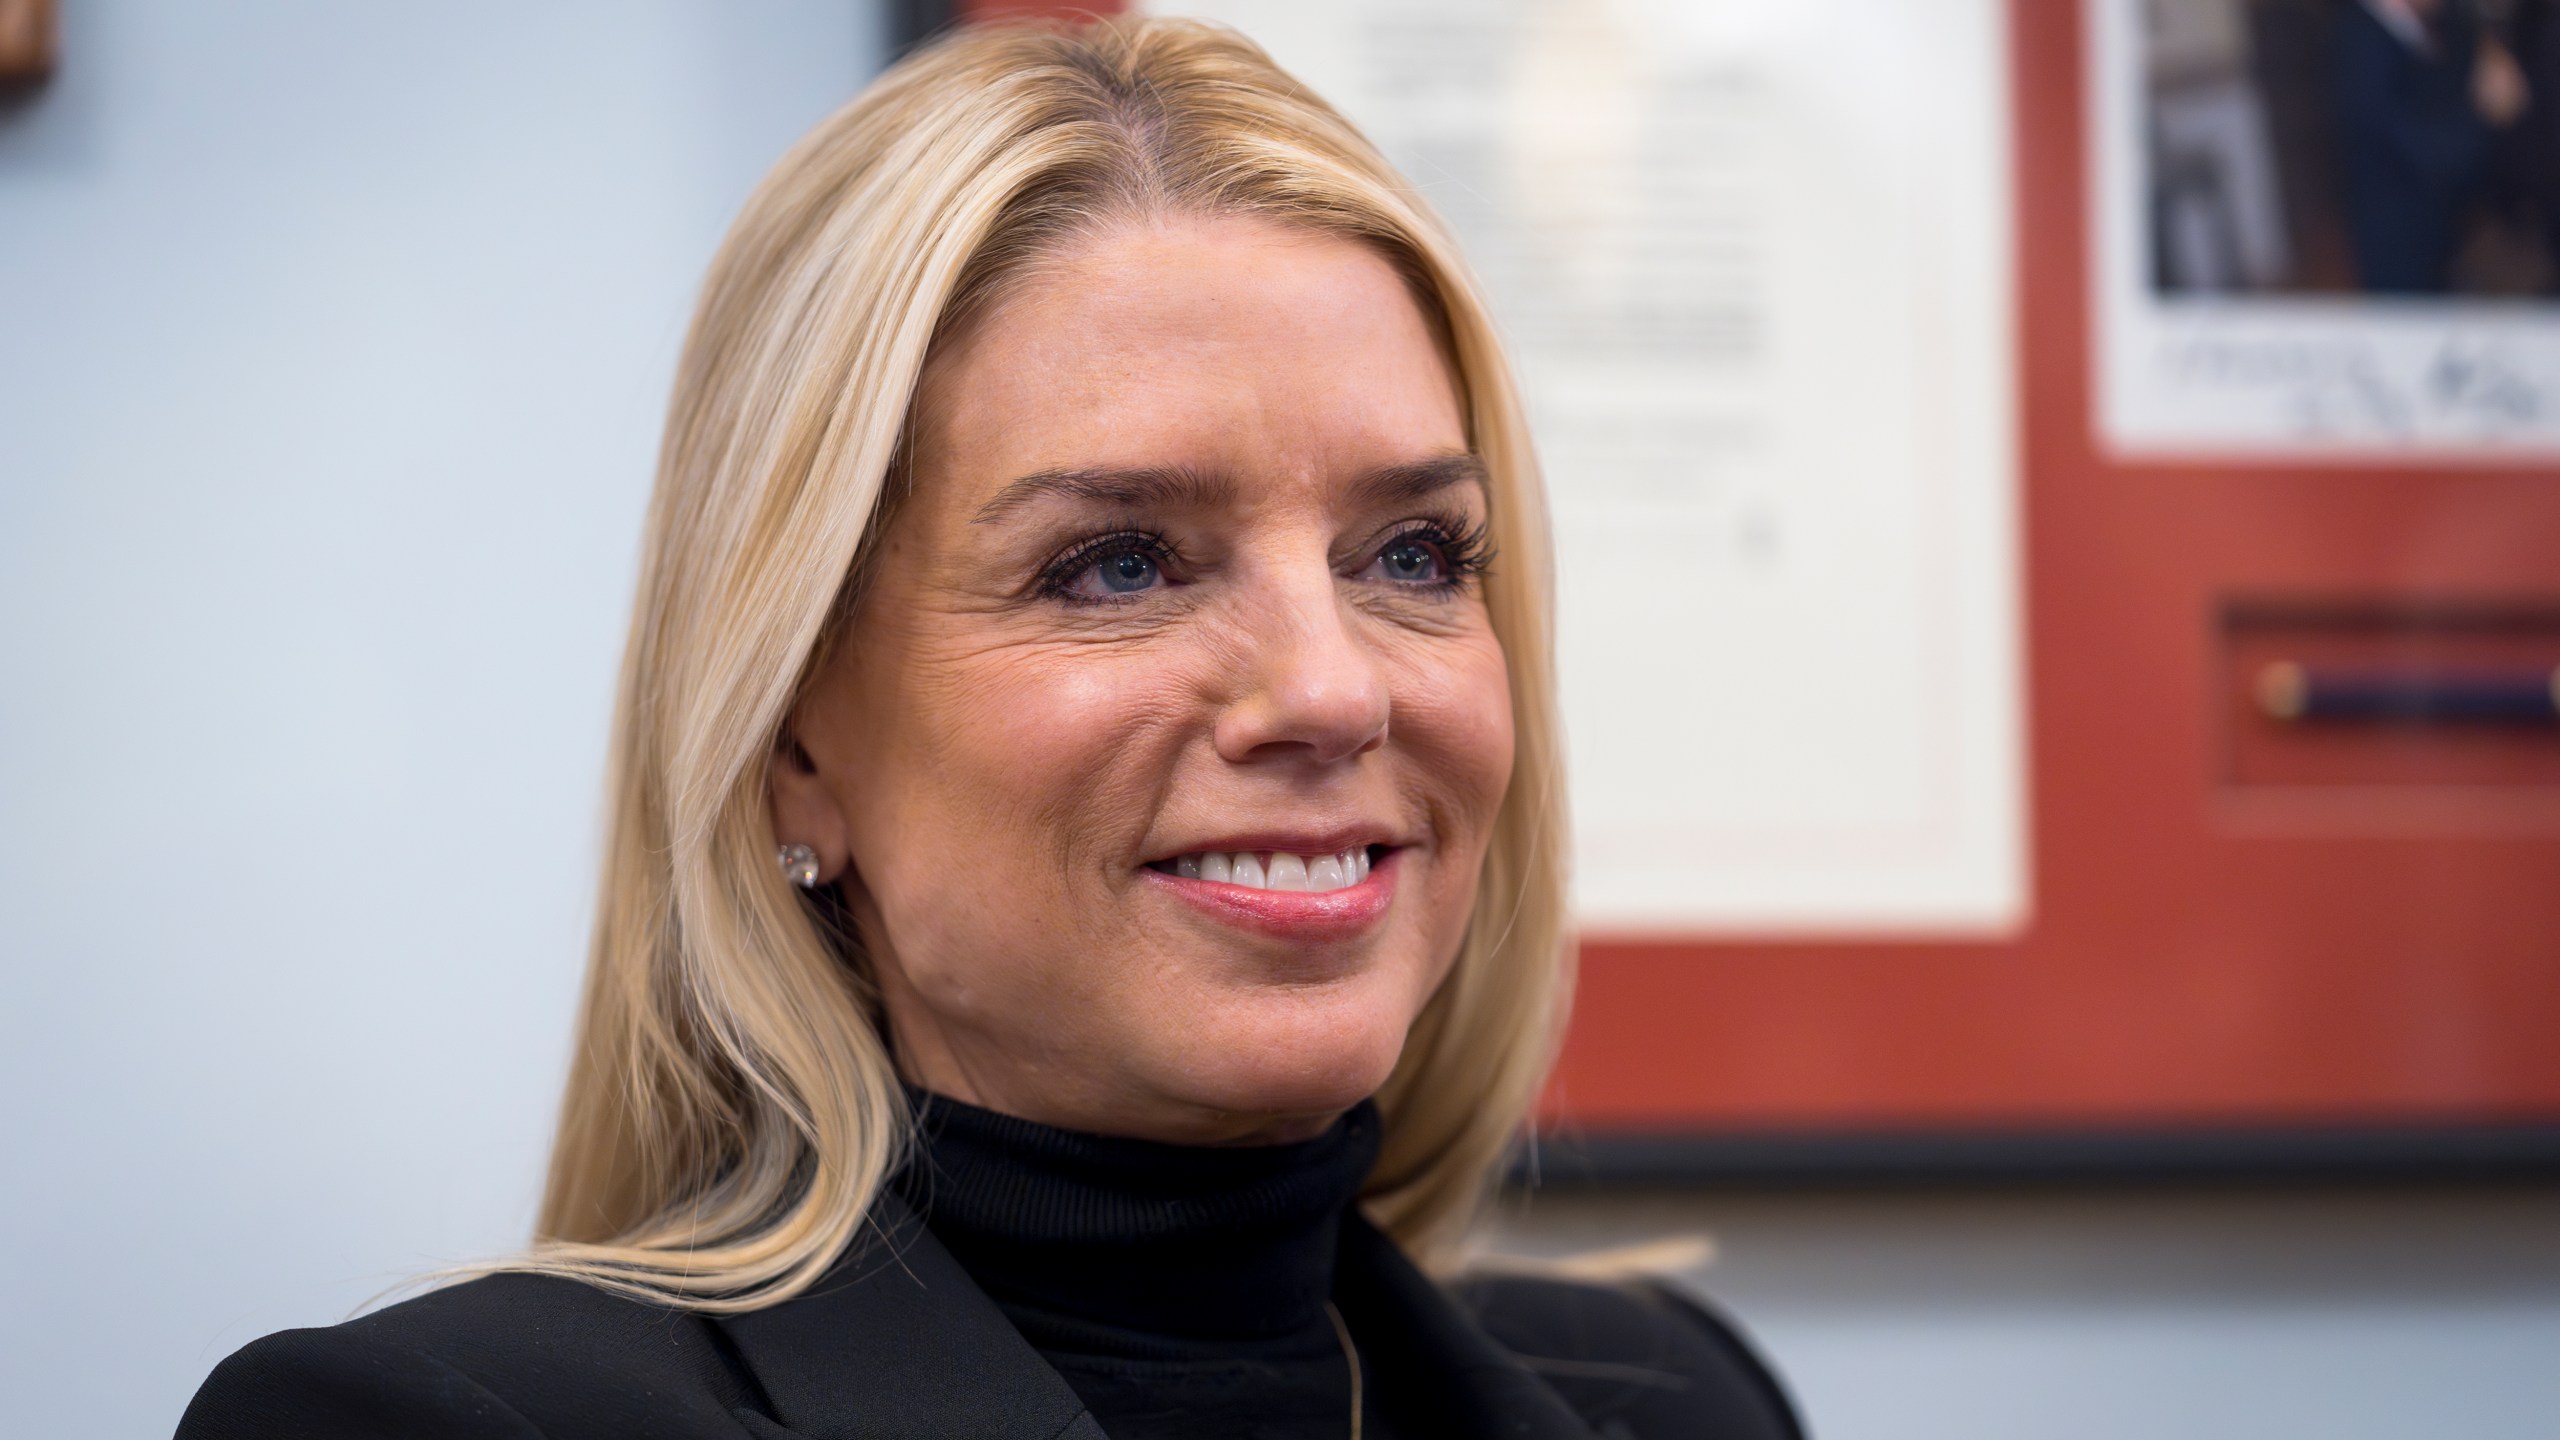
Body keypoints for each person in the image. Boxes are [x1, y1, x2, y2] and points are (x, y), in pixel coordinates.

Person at [176, 19, 1799, 1439]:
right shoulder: (440, 1423)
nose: (1331, 688)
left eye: (1412, 557)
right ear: (794, 740)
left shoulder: (1678, 1396)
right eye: (1119, 562)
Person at [2334, 0, 2531, 292]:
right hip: (2395, 226)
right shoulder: (2358, 39)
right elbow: (2410, 137)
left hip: (2444, 217)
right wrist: (2487, 115)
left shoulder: (2437, 21)